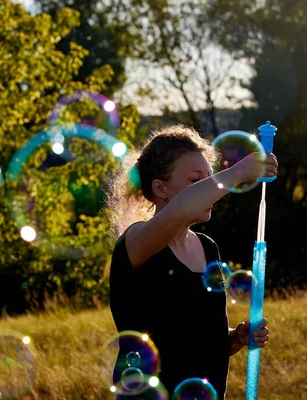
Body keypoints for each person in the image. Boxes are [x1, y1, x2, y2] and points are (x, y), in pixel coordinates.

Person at [105, 125, 277, 398]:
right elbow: (177, 212)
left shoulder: (207, 247)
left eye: (209, 179)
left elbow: (190, 335)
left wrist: (232, 339)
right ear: (160, 188)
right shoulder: (137, 241)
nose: (211, 189)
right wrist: (239, 172)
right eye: (197, 181)